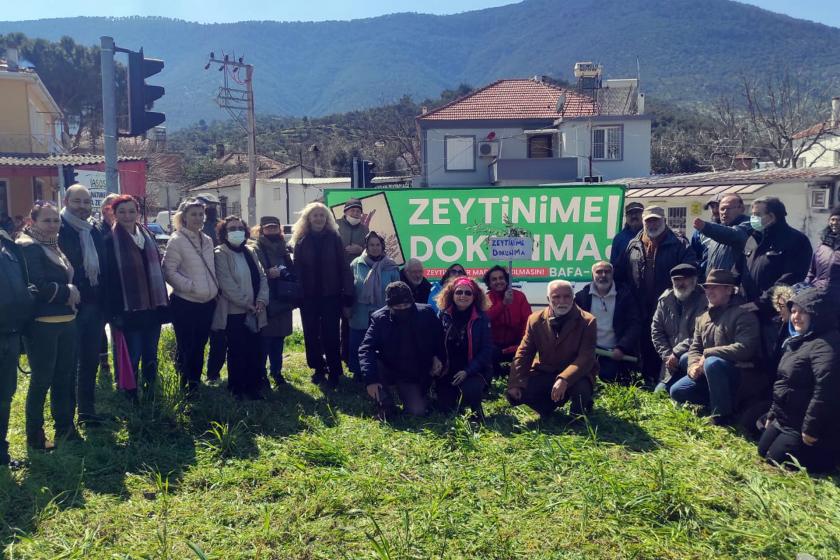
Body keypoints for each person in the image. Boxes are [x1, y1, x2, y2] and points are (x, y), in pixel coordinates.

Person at [17, 202, 81, 449]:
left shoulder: (53, 246)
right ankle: (35, 437)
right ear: (33, 222)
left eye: (56, 220)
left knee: (64, 379)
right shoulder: (30, 247)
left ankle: (65, 429)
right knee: (42, 381)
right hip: (42, 325)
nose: (53, 225)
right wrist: (68, 291)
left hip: (67, 321)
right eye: (47, 220)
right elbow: (37, 286)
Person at [759, 288, 840, 474]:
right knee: (762, 450)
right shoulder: (798, 340)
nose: (796, 316)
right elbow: (783, 382)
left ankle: (828, 458)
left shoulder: (827, 345)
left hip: (803, 423)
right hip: (786, 417)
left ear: (817, 314)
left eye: (803, 311)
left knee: (775, 459)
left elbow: (825, 390)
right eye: (794, 311)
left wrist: (810, 428)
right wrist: (773, 413)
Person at [614, 205, 696, 385]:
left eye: (656, 220)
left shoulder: (680, 243)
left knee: (668, 341)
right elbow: (620, 273)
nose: (652, 224)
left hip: (670, 304)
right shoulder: (633, 244)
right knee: (644, 341)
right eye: (648, 221)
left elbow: (691, 271)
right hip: (639, 303)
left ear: (664, 220)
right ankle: (647, 379)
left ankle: (670, 380)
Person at [669, 269, 760, 425]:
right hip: (711, 372)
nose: (709, 291)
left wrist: (708, 354)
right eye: (707, 287)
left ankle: (722, 416)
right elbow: (695, 347)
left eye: (715, 287)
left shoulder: (743, 315)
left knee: (713, 363)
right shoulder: (703, 317)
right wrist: (692, 366)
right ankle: (721, 401)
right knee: (677, 390)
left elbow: (745, 349)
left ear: (729, 290)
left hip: (740, 375)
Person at [103, 195, 169, 397]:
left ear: (138, 213)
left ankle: (151, 392)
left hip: (152, 308)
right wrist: (115, 313)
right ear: (114, 214)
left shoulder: (147, 235)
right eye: (122, 211)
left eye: (131, 211)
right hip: (128, 310)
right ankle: (130, 396)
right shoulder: (109, 241)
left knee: (151, 353)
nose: (127, 215)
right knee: (132, 354)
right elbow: (109, 280)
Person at [507, 280, 598, 418]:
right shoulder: (535, 319)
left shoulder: (588, 321)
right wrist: (516, 382)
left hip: (577, 375)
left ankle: (580, 410)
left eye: (567, 296)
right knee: (518, 393)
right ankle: (547, 406)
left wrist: (564, 379)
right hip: (546, 371)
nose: (562, 300)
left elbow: (586, 357)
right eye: (556, 297)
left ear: (573, 298)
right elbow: (524, 353)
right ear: (548, 299)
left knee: (581, 391)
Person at [359, 281, 446, 419]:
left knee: (417, 411)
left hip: (413, 373)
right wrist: (371, 380)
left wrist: (437, 356)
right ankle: (385, 404)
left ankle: (419, 394)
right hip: (389, 367)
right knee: (374, 361)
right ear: (389, 305)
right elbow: (366, 348)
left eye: (406, 305)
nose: (402, 308)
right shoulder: (379, 318)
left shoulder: (426, 313)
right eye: (397, 306)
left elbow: (439, 339)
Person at [58, 184, 107, 425]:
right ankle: (65, 417)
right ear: (66, 201)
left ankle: (87, 412)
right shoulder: (58, 229)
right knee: (68, 363)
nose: (82, 207)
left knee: (89, 361)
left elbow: (104, 268)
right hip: (70, 308)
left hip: (95, 306)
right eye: (77, 201)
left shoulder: (93, 230)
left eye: (86, 202)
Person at [291, 202, 354, 388]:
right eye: (315, 215)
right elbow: (298, 270)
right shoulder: (301, 240)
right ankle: (318, 369)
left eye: (322, 215)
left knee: (331, 334)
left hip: (331, 296)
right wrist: (298, 294)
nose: (318, 218)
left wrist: (347, 294)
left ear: (327, 219)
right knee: (311, 334)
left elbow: (343, 267)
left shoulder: (334, 238)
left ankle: (335, 370)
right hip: (309, 297)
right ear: (308, 219)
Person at [162, 198, 218, 396]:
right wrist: (190, 287)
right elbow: (168, 271)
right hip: (186, 302)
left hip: (207, 303)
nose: (197, 218)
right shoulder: (177, 240)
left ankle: (194, 381)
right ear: (183, 217)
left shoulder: (208, 239)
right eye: (193, 214)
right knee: (187, 345)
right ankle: (185, 383)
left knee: (200, 343)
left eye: (200, 214)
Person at [211, 216, 269, 399]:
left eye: (239, 228)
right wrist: (247, 304)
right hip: (234, 312)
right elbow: (226, 284)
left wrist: (261, 301)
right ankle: (237, 387)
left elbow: (262, 278)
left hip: (256, 311)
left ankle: (254, 386)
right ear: (224, 233)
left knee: (256, 350)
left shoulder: (250, 251)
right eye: (231, 228)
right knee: (237, 351)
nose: (237, 231)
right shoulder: (220, 253)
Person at [742, 197, 812, 318]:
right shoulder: (753, 238)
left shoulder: (795, 240)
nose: (753, 219)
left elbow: (791, 277)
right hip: (746, 309)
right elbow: (739, 268)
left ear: (772, 216)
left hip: (773, 313)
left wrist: (763, 302)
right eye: (752, 215)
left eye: (757, 215)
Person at [435, 276, 493, 421]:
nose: (463, 296)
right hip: (448, 370)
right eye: (458, 292)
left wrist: (467, 371)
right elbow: (434, 342)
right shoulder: (442, 315)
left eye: (468, 293)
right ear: (451, 295)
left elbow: (487, 350)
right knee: (445, 409)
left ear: (474, 297)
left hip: (472, 370)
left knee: (471, 390)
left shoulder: (482, 318)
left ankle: (474, 406)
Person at [574, 260, 642, 384]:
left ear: (613, 273)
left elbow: (635, 324)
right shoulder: (582, 297)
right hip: (589, 351)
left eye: (607, 272)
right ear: (593, 275)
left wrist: (622, 347)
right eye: (599, 272)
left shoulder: (625, 296)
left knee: (609, 376)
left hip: (615, 352)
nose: (603, 275)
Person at [1, 226, 34, 466]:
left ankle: (1, 453)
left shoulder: (7, 249)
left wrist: (28, 296)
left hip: (10, 335)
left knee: (5, 395)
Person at [348, 231, 400, 380]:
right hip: (360, 313)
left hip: (383, 313)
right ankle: (358, 373)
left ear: (382, 246)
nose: (375, 248)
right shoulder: (356, 264)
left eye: (378, 244)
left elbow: (397, 291)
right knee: (358, 344)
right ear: (366, 246)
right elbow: (349, 288)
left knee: (383, 345)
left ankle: (383, 373)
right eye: (371, 245)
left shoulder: (391, 266)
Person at [252, 216, 297, 388]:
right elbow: (256, 271)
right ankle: (261, 374)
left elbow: (292, 270)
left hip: (284, 298)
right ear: (261, 229)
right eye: (268, 228)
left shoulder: (283, 248)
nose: (271, 231)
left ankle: (277, 372)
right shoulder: (256, 247)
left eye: (274, 228)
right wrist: (267, 273)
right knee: (265, 339)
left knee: (279, 339)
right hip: (266, 299)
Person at [651, 264, 708, 394]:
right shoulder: (665, 300)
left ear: (694, 279)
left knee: (684, 360)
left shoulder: (705, 300)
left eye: (684, 279)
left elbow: (703, 334)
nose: (680, 283)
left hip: (695, 359)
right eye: (676, 279)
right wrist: (667, 356)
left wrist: (676, 353)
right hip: (671, 364)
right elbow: (656, 331)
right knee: (658, 395)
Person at [336, 198, 369, 364]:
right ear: (345, 211)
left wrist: (360, 249)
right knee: (336, 319)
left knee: (352, 317)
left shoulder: (365, 229)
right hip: (335, 277)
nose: (355, 213)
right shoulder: (335, 226)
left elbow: (371, 248)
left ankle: (350, 356)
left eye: (358, 211)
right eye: (352, 210)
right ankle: (336, 355)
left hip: (356, 278)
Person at [484, 265, 532, 378]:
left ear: (507, 280)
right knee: (489, 353)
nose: (498, 281)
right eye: (494, 279)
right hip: (494, 345)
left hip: (517, 343)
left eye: (501, 278)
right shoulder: (486, 298)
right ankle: (494, 380)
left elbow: (528, 322)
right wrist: (503, 304)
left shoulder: (519, 296)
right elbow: (486, 318)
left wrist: (521, 345)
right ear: (489, 283)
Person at [691, 194, 750, 278]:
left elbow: (733, 234)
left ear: (741, 209)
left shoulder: (748, 224)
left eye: (728, 208)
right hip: (714, 285)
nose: (724, 212)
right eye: (722, 209)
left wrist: (706, 227)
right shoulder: (715, 231)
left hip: (734, 285)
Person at [97, 192, 119, 382]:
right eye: (113, 208)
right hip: (102, 291)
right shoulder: (97, 231)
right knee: (99, 329)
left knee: (118, 329)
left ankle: (122, 366)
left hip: (121, 292)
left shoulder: (128, 231)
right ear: (105, 210)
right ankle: (103, 363)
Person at [804, 206, 840, 302]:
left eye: (839, 220)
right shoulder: (822, 246)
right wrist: (805, 286)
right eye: (833, 219)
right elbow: (812, 271)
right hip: (817, 294)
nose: (835, 223)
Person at [690, 194, 721, 277]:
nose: (715, 210)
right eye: (712, 207)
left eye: (718, 206)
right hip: (705, 278)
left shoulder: (734, 230)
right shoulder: (700, 231)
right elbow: (694, 256)